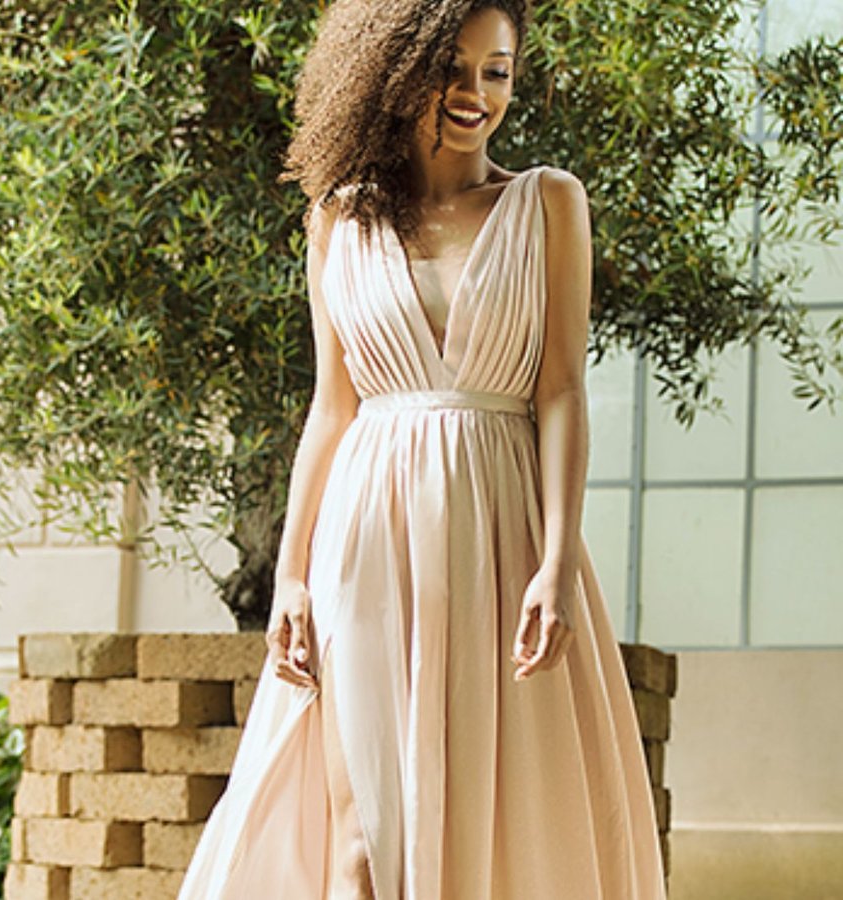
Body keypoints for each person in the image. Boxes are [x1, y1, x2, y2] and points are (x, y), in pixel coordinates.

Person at [177, 1, 670, 897]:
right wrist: (291, 575)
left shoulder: (548, 204)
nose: (476, 92)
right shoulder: (339, 219)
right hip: (364, 543)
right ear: (395, 66)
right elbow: (332, 408)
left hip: (502, 536)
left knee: (495, 812)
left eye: (499, 71)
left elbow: (559, 389)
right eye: (456, 66)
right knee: (363, 829)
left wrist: (556, 562)